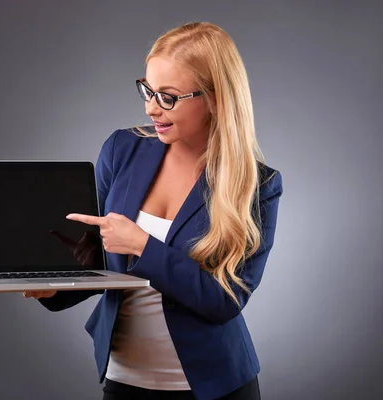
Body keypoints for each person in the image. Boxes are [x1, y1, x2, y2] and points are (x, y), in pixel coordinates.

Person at [23, 21, 283, 400]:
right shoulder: (122, 149)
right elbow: (96, 255)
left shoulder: (256, 185)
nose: (151, 108)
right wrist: (52, 290)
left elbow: (224, 300)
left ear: (214, 98)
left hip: (213, 386)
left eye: (168, 97)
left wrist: (144, 245)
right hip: (125, 379)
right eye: (148, 90)